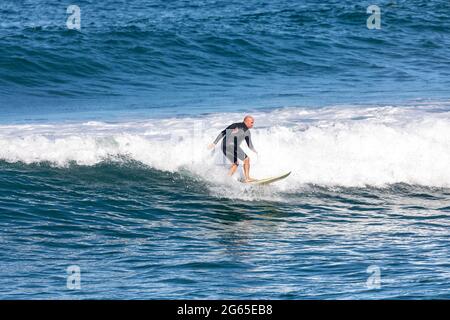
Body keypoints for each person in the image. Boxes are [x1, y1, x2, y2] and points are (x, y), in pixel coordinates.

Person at [208, 115, 257, 182]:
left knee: (235, 163)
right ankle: (247, 178)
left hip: (224, 145)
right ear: (247, 121)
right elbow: (224, 132)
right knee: (247, 159)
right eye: (251, 122)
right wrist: (214, 143)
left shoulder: (242, 129)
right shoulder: (241, 129)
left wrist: (255, 150)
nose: (252, 124)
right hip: (231, 145)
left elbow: (249, 145)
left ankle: (226, 180)